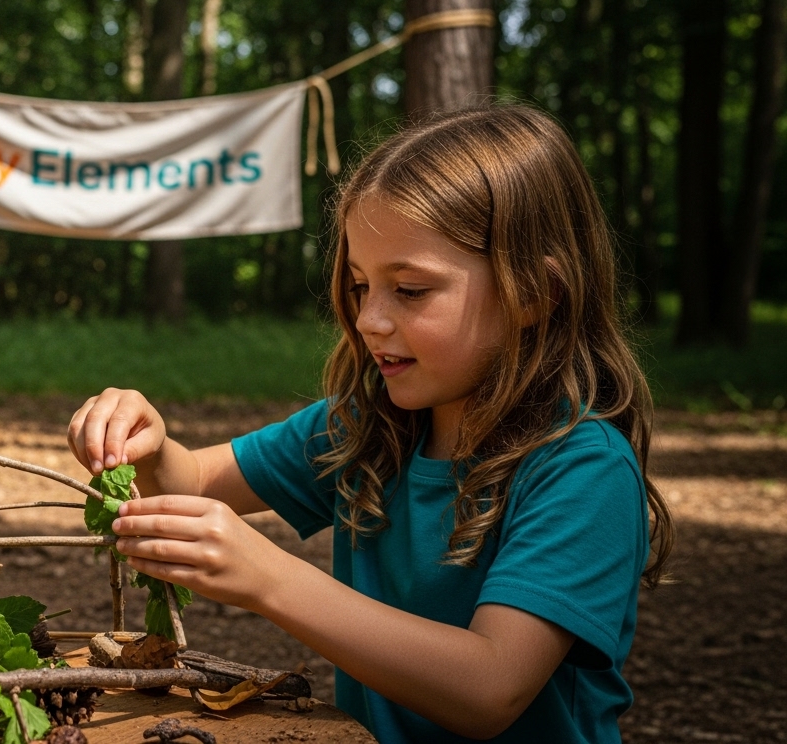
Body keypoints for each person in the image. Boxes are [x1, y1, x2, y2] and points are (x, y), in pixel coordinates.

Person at [68, 105, 674, 743]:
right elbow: (192, 482)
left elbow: (490, 688)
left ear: (532, 295)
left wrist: (271, 578)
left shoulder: (583, 469)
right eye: (360, 285)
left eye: (409, 291)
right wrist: (150, 442)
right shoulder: (370, 426)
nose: (369, 320)